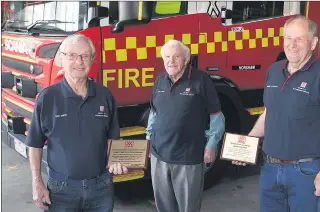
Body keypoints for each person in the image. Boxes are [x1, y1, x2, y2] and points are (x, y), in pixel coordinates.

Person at [233, 15, 320, 211]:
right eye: (288, 38)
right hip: (270, 167)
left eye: (299, 39)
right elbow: (269, 113)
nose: (292, 45)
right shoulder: (274, 71)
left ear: (313, 43)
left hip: (305, 171)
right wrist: (247, 143)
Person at [25, 34, 128, 212]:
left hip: (100, 187)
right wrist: (37, 183)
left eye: (85, 56)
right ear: (61, 59)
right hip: (61, 190)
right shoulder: (48, 97)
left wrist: (117, 160)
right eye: (72, 55)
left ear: (92, 59)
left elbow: (113, 138)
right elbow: (34, 144)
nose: (79, 62)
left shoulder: (104, 95)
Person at [146, 39, 225, 212]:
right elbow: (154, 114)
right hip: (159, 156)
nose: (171, 61)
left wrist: (211, 145)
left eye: (176, 57)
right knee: (164, 207)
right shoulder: (160, 80)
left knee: (188, 207)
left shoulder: (201, 80)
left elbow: (216, 116)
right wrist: (148, 141)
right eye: (167, 56)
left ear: (186, 59)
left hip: (188, 158)